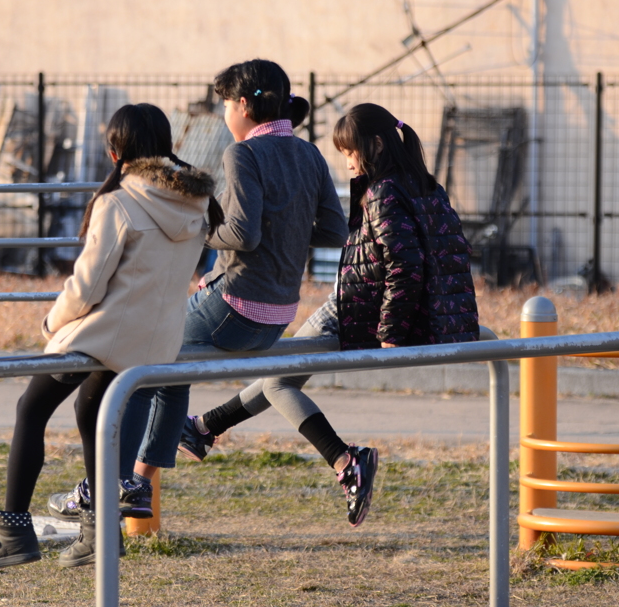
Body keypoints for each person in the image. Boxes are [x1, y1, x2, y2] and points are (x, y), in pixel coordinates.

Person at [49, 59, 348, 521]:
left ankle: (104, 486)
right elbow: (332, 229)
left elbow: (243, 235)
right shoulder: (308, 153)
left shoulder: (242, 153)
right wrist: (287, 232)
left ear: (245, 105)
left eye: (226, 103)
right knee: (169, 372)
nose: (225, 112)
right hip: (278, 313)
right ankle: (137, 484)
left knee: (144, 359)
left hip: (236, 302)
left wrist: (201, 233)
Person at [179, 102, 480, 527]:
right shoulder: (426, 185)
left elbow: (404, 263)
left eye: (350, 152)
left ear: (375, 146)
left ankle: (344, 460)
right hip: (406, 308)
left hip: (359, 305)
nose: (348, 163)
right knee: (282, 377)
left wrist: (391, 327)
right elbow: (449, 256)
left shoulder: (382, 192)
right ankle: (206, 427)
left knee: (281, 377)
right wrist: (456, 317)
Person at [0, 103, 222, 571]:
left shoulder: (118, 203)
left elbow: (86, 287)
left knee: (31, 407)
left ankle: (12, 533)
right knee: (90, 411)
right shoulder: (196, 202)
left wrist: (52, 324)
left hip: (101, 338)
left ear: (115, 149)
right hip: (155, 344)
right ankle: (99, 532)